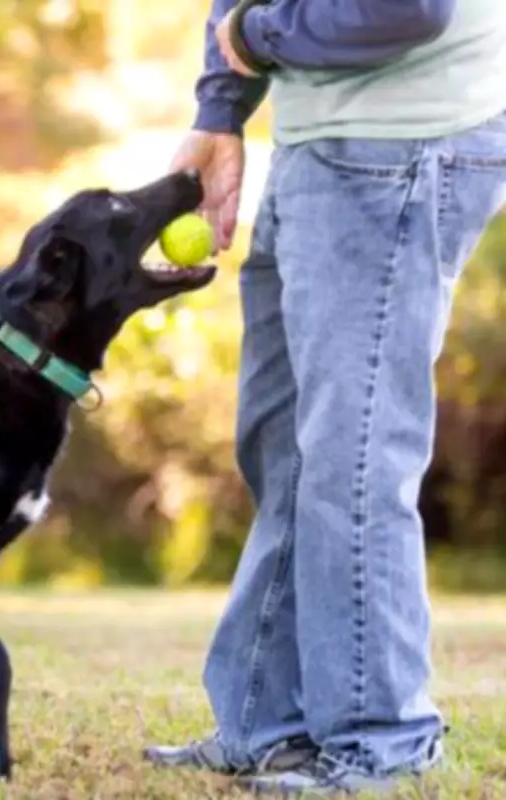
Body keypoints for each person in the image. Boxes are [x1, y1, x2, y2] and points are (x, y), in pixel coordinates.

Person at [144, 0, 506, 794]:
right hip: (318, 147)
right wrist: (220, 111)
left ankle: (385, 740)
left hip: (400, 147)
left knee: (356, 454)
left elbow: (411, 9)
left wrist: (255, 38)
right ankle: (265, 722)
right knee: (286, 451)